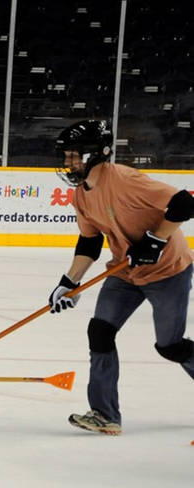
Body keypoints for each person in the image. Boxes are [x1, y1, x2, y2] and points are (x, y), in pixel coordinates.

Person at [49, 120, 194, 435]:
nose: (69, 162)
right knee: (100, 332)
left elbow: (184, 203)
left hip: (168, 271)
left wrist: (155, 241)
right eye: (66, 156)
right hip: (125, 271)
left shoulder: (126, 180)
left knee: (170, 346)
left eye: (75, 156)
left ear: (98, 154)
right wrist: (69, 282)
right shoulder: (81, 196)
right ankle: (105, 415)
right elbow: (89, 243)